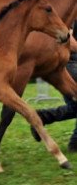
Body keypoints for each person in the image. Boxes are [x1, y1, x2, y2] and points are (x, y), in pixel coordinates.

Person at [31, 20, 77, 152]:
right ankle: (75, 143)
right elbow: (69, 42)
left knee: (74, 108)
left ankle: (43, 117)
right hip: (69, 64)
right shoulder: (68, 13)